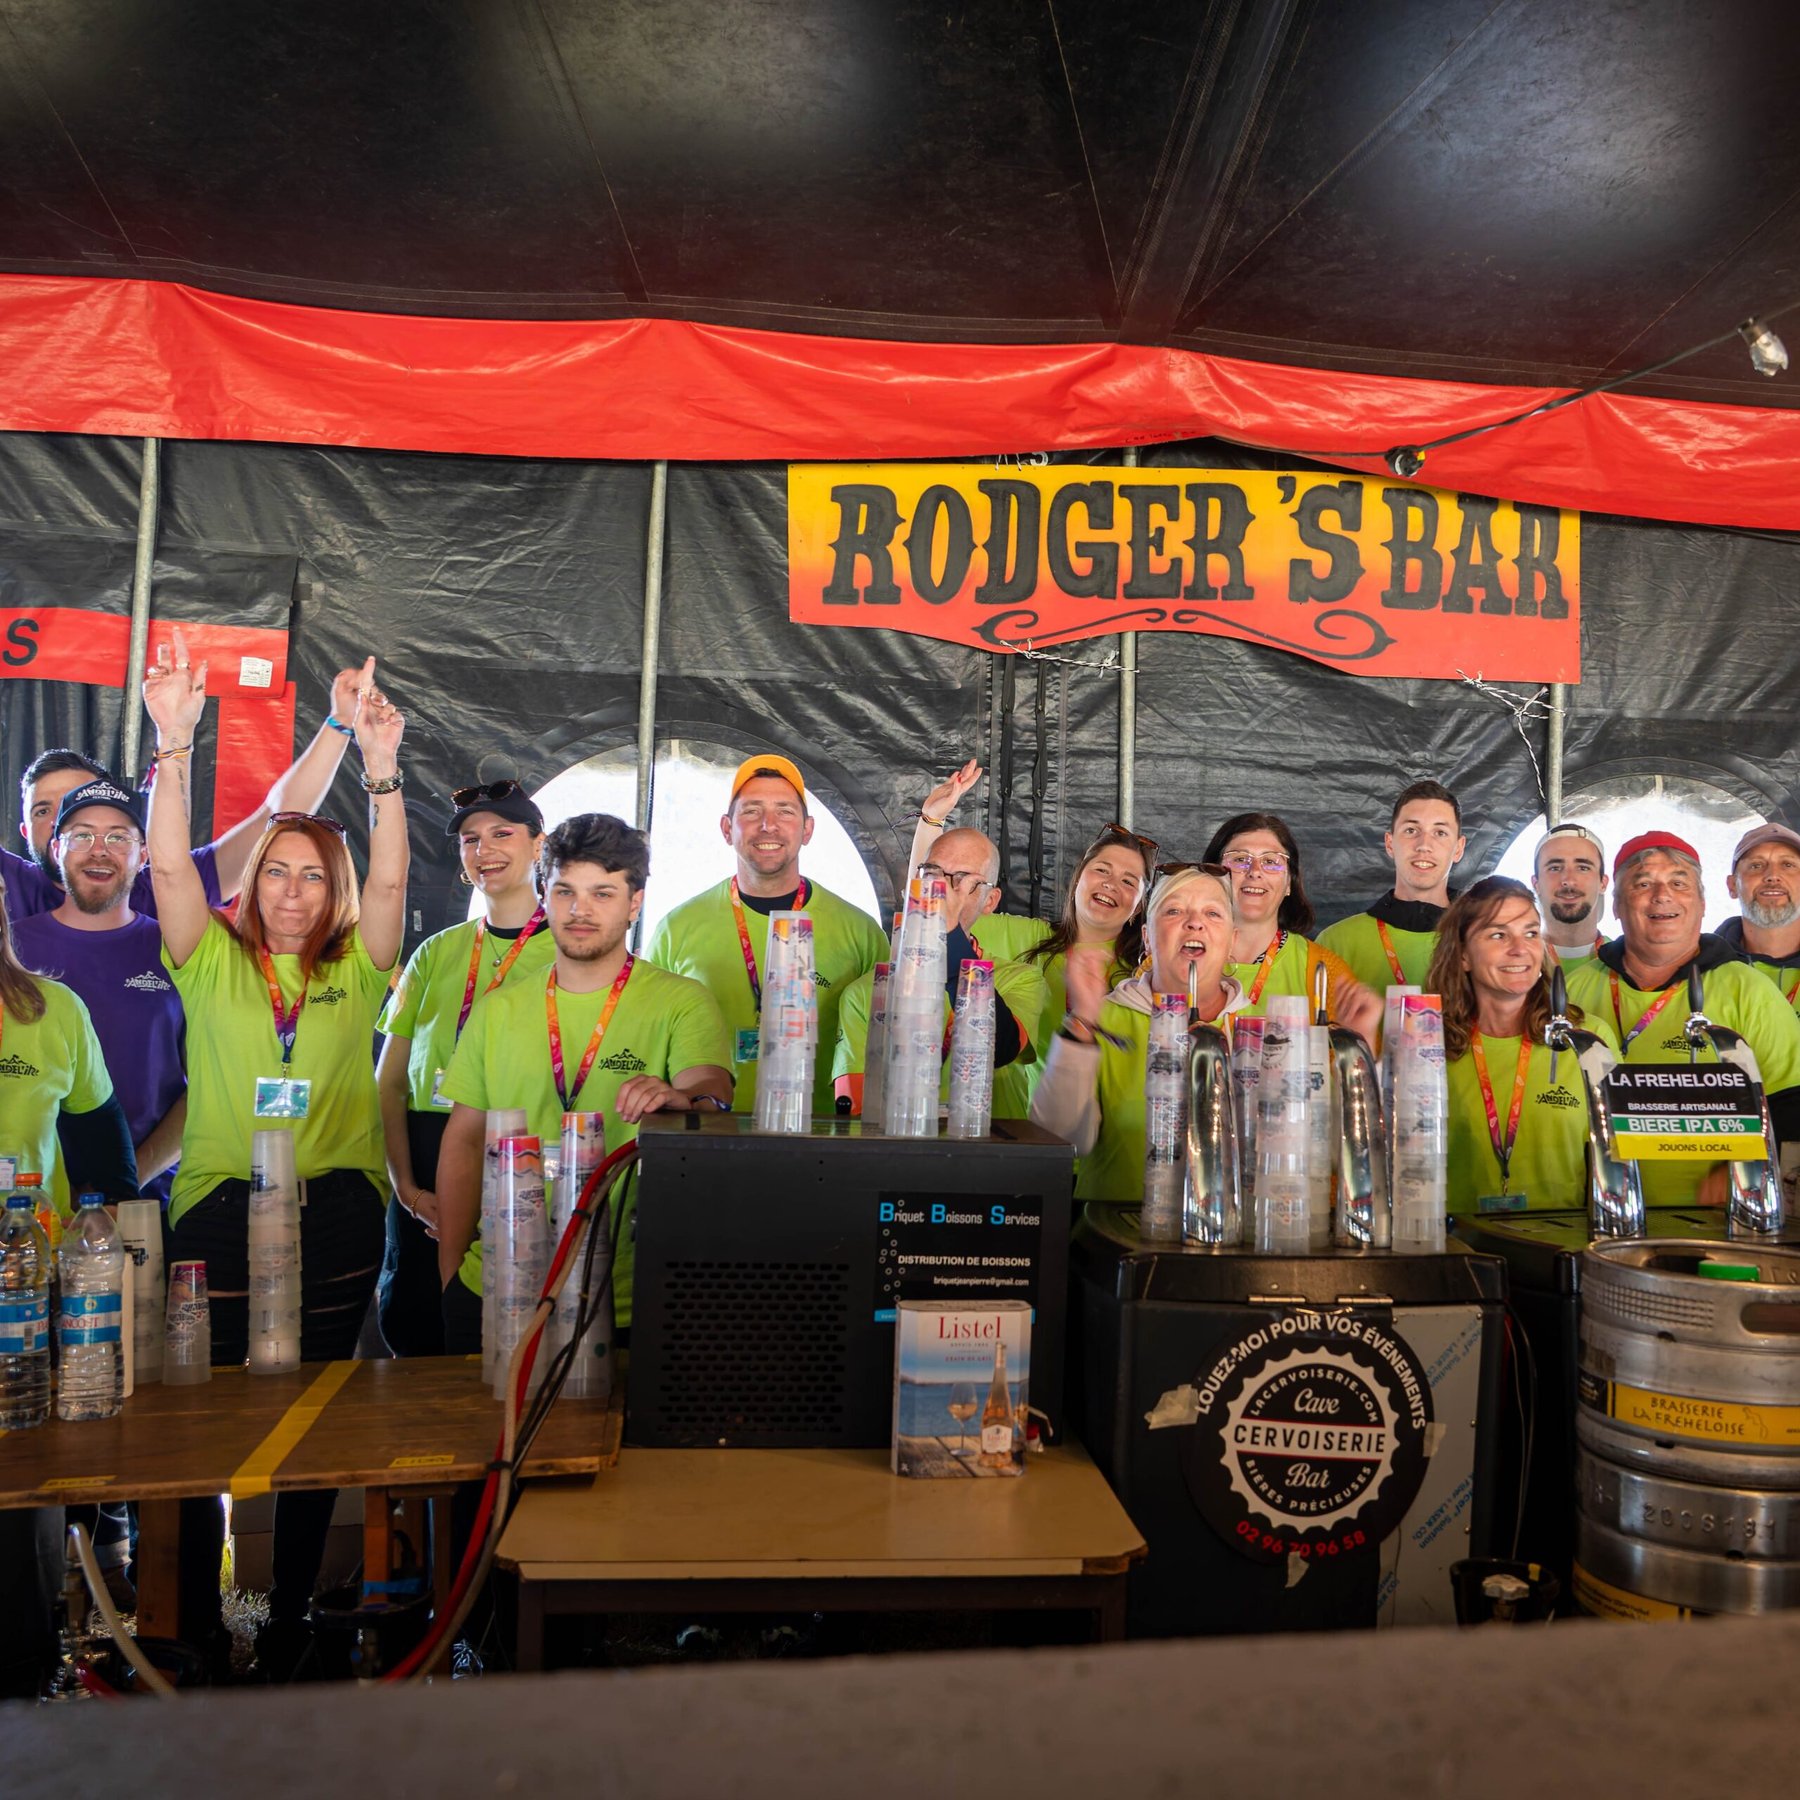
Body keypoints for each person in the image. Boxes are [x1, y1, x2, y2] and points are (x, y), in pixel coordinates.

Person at [144, 631, 407, 1678]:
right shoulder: (207, 959)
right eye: (277, 873)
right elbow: (170, 864)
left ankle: (291, 1618)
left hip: (336, 1209)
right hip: (217, 1206)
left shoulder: (360, 967)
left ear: (333, 890)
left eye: (313, 877)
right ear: (252, 884)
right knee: (201, 1416)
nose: (294, 893)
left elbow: (391, 881)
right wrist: (174, 743)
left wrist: (382, 772)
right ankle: (202, 1624)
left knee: (312, 1417)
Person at [436, 813, 732, 1344]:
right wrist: (452, 1275)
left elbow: (712, 1088)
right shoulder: (498, 1009)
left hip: (621, 1301)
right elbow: (463, 1141)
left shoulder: (680, 1001)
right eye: (565, 891)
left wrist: (681, 1096)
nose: (580, 910)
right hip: (498, 1289)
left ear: (634, 903)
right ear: (544, 895)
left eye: (603, 893)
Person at [375, 781, 552, 1356]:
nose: (484, 849)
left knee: (499, 1335)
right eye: (471, 840)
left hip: (517, 1155)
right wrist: (406, 1189)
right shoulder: (434, 952)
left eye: (502, 833)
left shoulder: (568, 952)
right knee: (414, 1325)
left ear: (539, 846)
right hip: (425, 1161)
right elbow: (390, 1083)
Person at [4, 662, 372, 921]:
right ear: (26, 831)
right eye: (42, 811)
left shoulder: (168, 886)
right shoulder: (13, 886)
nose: (59, 822)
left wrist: (340, 721)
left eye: (79, 808)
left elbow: (276, 815)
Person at [1564, 831, 1800, 1209]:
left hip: (1711, 1219)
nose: (1662, 895)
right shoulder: (1576, 988)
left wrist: (1746, 1172)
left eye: (1679, 883)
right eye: (1643, 884)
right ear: (1617, 905)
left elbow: (1791, 1103)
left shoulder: (1749, 990)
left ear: (1703, 903)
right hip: (1592, 1212)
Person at [645, 755, 885, 1120]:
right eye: (752, 811)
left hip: (821, 1138)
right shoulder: (676, 929)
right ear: (727, 828)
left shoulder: (860, 932)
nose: (768, 825)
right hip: (707, 1137)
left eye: (785, 812)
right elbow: (652, 1045)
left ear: (808, 830)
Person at [11, 778, 188, 1204]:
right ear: (56, 850)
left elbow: (206, 1087)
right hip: (28, 1202)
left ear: (144, 854)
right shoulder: (11, 950)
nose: (99, 850)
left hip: (151, 1199)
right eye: (82, 836)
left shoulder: (179, 950)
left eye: (118, 837)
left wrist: (124, 1182)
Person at [1030, 864, 1247, 1209]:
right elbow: (1056, 1135)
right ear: (1146, 937)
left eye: (1212, 913)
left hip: (1231, 1233)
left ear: (1233, 940)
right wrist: (1083, 1022)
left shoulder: (1259, 1029)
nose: (1195, 923)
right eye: (1174, 911)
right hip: (1115, 1230)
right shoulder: (1103, 1019)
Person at [907, 761, 1156, 1050]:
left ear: (1139, 907)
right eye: (1102, 870)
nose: (1111, 884)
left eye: (1128, 881)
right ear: (1077, 879)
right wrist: (932, 819)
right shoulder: (1032, 938)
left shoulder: (1148, 967)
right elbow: (928, 913)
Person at [1426, 876, 1619, 1216]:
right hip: (1457, 1240)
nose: (1520, 949)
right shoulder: (1429, 1043)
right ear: (1463, 955)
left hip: (1561, 1240)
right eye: (1498, 935)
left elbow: (1617, 1159)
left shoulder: (1588, 1038)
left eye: (1530, 933)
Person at [832, 825, 1049, 1118]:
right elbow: (857, 1114)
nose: (942, 890)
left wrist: (948, 933)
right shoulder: (868, 992)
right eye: (932, 874)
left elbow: (1002, 1050)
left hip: (992, 1144)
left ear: (990, 901)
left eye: (961, 878)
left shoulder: (1020, 979)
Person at [1200, 812, 1380, 1041]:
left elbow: (1355, 1061)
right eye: (1240, 859)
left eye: (1270, 861)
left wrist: (1362, 1037)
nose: (1254, 871)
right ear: (1213, 875)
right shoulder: (1177, 959)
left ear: (1288, 884)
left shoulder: (1325, 971)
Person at [1317, 779, 1465, 991]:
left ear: (1458, 848)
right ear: (1389, 843)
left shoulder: (1479, 940)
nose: (1424, 845)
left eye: (1440, 833)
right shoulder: (1336, 942)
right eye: (1411, 830)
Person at [1719, 822, 1800, 1017]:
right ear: (1732, 886)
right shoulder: (1699, 967)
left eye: (1788, 865)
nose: (1772, 876)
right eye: (1756, 865)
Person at [1532, 822, 1609, 967]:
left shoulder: (1629, 963)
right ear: (1536, 884)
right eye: (1555, 868)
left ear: (1603, 883)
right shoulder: (1515, 962)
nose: (1569, 880)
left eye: (1583, 868)